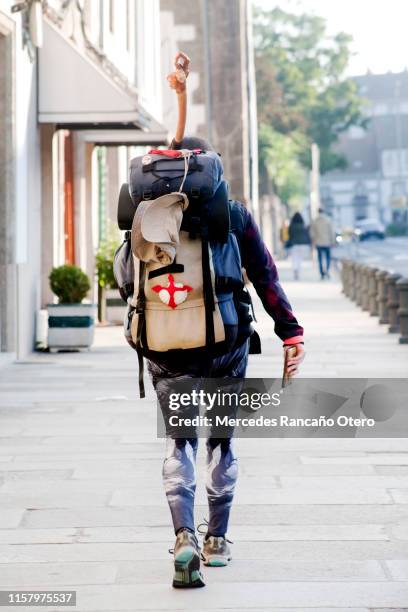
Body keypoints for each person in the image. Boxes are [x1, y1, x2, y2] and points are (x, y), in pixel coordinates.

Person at [147, 53, 305, 589]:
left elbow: (127, 280)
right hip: (227, 344)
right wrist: (291, 332)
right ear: (210, 172)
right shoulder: (233, 214)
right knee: (221, 440)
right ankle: (217, 539)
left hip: (166, 348)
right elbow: (265, 277)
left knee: (178, 441)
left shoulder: (148, 218)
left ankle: (182, 537)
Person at [310, 208, 336, 279]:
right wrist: (333, 241)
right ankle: (327, 270)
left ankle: (322, 273)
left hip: (318, 242)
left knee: (320, 258)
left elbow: (312, 233)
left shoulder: (315, 221)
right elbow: (331, 232)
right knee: (328, 257)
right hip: (327, 242)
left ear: (318, 212)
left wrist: (314, 241)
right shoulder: (328, 220)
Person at [288, 212, 311, 280]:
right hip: (302, 244)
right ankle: (298, 271)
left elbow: (290, 235)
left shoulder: (291, 226)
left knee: (294, 258)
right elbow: (307, 234)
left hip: (294, 244)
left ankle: (295, 270)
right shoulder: (303, 225)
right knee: (299, 259)